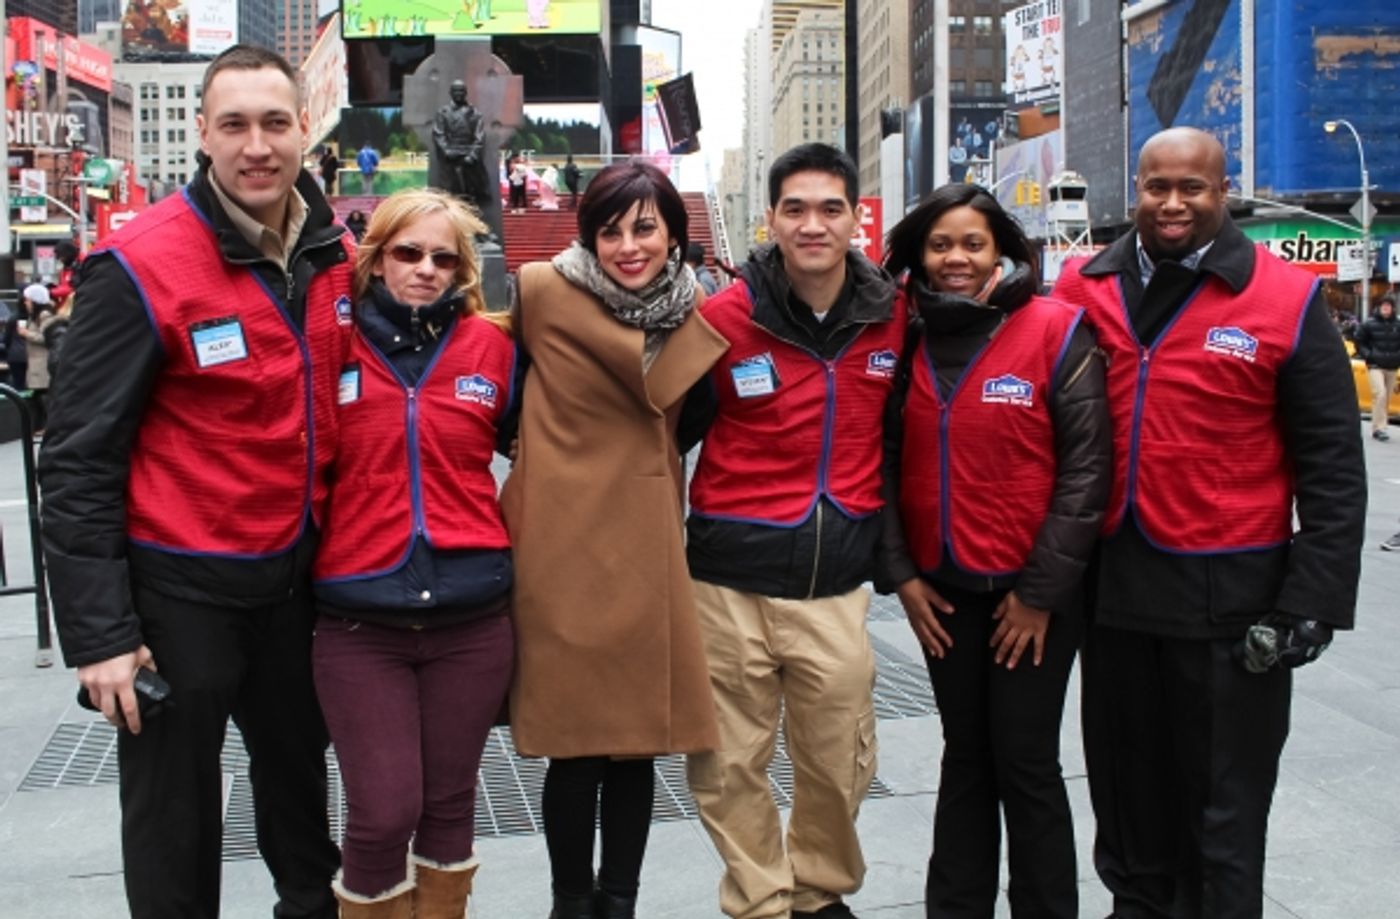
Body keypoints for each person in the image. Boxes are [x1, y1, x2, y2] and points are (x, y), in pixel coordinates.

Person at [38, 44, 352, 919]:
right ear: (203, 138)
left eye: (276, 123)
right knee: (175, 834)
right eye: (235, 125)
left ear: (304, 133)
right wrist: (101, 637)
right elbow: (75, 462)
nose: (258, 145)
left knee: (303, 820)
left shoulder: (336, 256)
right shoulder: (138, 264)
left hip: (296, 594)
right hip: (178, 601)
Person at [1052, 126, 1366, 919]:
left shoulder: (1285, 296)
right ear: (1137, 190)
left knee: (1223, 806)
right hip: (1114, 588)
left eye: (1192, 187)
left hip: (1233, 595)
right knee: (1126, 788)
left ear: (1224, 190)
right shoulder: (1080, 285)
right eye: (1157, 186)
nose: (1172, 203)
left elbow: (1332, 465)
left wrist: (1314, 601)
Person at [682, 142, 904, 919]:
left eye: (830, 208)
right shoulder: (721, 318)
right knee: (729, 761)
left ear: (855, 219)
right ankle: (761, 899)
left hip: (834, 583)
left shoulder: (891, 318)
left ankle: (817, 889)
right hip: (726, 580)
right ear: (770, 219)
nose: (813, 224)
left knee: (839, 756)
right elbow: (661, 429)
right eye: (796, 209)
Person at [878, 183, 1111, 918]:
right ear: (920, 253)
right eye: (940, 243)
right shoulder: (904, 335)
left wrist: (1040, 593)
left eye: (972, 243)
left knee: (1026, 760)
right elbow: (878, 463)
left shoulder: (1055, 330)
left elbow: (1086, 471)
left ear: (1002, 251)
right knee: (965, 758)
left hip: (1034, 597)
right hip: (944, 593)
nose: (955, 258)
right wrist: (904, 577)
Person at [502, 161, 728, 919]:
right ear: (587, 234)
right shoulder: (539, 292)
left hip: (645, 542)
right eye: (611, 230)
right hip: (558, 543)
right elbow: (492, 387)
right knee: (574, 741)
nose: (629, 245)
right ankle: (571, 901)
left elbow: (694, 416)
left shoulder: (695, 309)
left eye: (645, 228)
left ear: (674, 233)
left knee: (638, 740)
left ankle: (620, 899)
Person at [312, 189, 516, 918]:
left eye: (443, 257)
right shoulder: (333, 344)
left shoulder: (492, 347)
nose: (425, 269)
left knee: (450, 804)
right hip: (361, 624)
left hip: (473, 620)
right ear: (375, 259)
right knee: (382, 811)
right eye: (408, 252)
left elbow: (547, 449)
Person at [432, 80, 492, 216]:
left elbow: (480, 136)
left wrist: (473, 155)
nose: (459, 94)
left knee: (472, 196)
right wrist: (446, 150)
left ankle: (475, 225)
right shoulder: (443, 112)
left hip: (470, 159)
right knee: (451, 195)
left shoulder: (475, 113)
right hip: (450, 158)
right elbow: (438, 133)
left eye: (461, 91)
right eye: (456, 91)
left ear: (466, 93)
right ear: (450, 93)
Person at [1354, 294, 1399, 441]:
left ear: (1392, 309)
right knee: (1379, 393)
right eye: (1383, 306)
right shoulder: (1369, 324)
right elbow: (1359, 340)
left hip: (1392, 365)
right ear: (1379, 307)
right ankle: (1378, 428)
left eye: (1388, 306)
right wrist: (1369, 355)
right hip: (1375, 365)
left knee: (1386, 398)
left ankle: (1380, 427)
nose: (1385, 309)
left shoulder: (1397, 325)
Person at [17, 284, 53, 433]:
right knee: (35, 396)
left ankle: (45, 425)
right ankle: (38, 425)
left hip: (42, 363)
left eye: (28, 300)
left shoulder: (44, 316)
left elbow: (47, 337)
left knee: (42, 396)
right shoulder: (33, 317)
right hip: (35, 363)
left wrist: (27, 334)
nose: (25, 302)